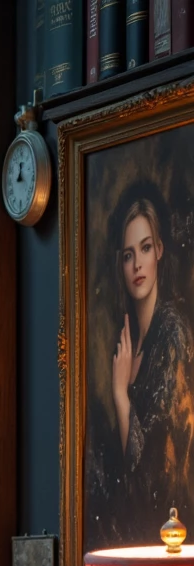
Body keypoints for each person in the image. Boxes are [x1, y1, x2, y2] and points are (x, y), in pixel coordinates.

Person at [110, 193, 194, 535]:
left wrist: (120, 395)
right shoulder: (128, 342)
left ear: (159, 250)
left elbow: (153, 474)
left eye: (145, 249)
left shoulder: (172, 332)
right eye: (129, 255)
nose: (137, 265)